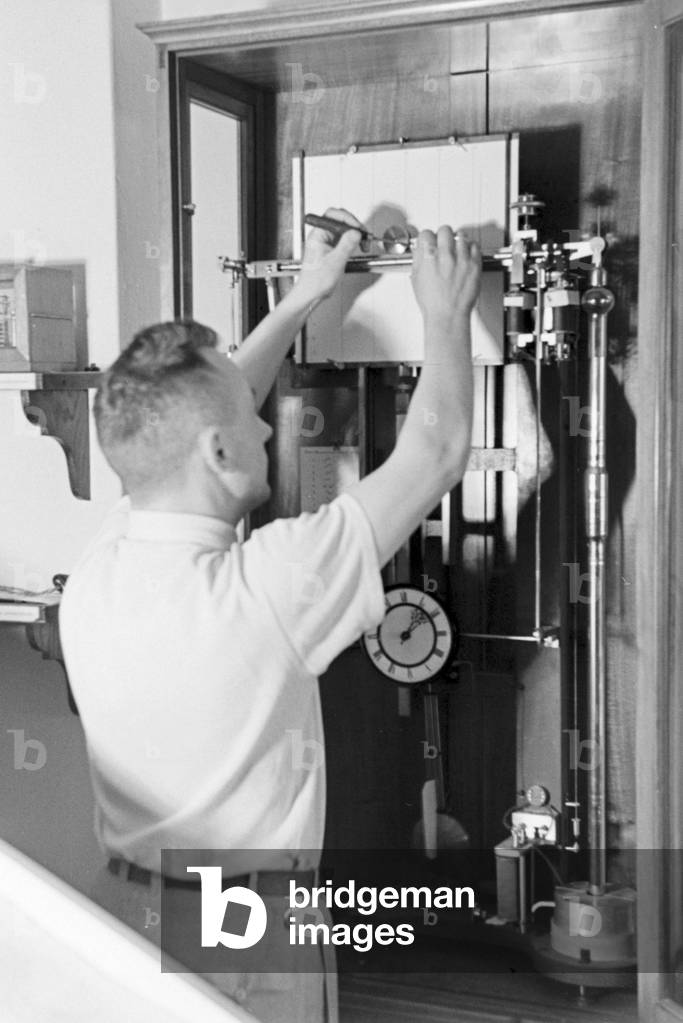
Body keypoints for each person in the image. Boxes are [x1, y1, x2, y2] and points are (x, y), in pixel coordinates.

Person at [59, 209, 481, 1023]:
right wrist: (443, 310)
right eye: (248, 422)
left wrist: (300, 301)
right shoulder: (267, 585)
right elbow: (435, 454)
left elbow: (192, 421)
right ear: (218, 453)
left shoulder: (102, 563)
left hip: (123, 916)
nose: (264, 422)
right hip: (245, 928)